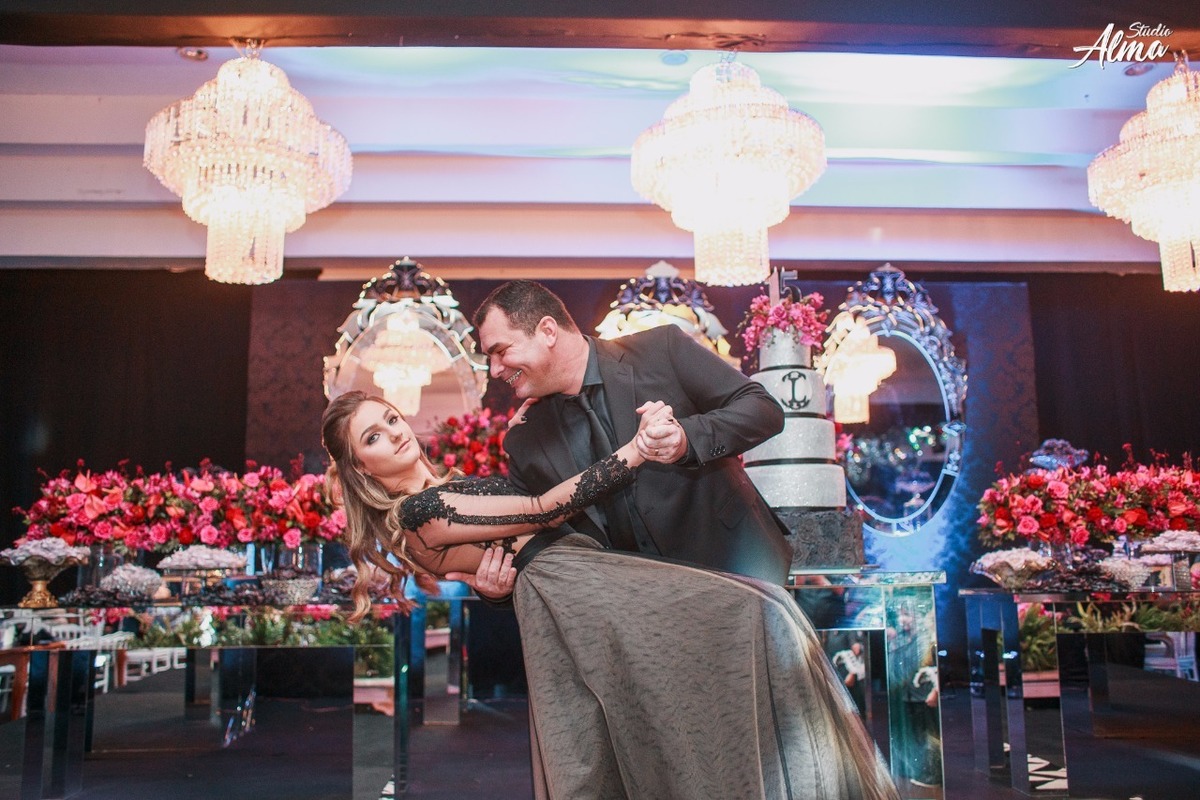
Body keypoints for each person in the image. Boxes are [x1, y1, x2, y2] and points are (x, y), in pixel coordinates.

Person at [322, 390, 900, 800]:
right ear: (360, 468)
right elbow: (540, 510)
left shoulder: (432, 502)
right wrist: (637, 451)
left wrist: (517, 442)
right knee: (753, 616)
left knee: (663, 710)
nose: (395, 432)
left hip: (576, 586)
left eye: (391, 418)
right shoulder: (420, 509)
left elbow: (497, 560)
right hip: (579, 588)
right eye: (373, 436)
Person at [472, 279, 794, 585]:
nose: (495, 370)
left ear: (547, 331)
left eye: (501, 351)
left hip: (738, 567)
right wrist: (498, 589)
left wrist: (685, 439)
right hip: (635, 608)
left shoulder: (661, 349)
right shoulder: (525, 439)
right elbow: (534, 542)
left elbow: (763, 408)